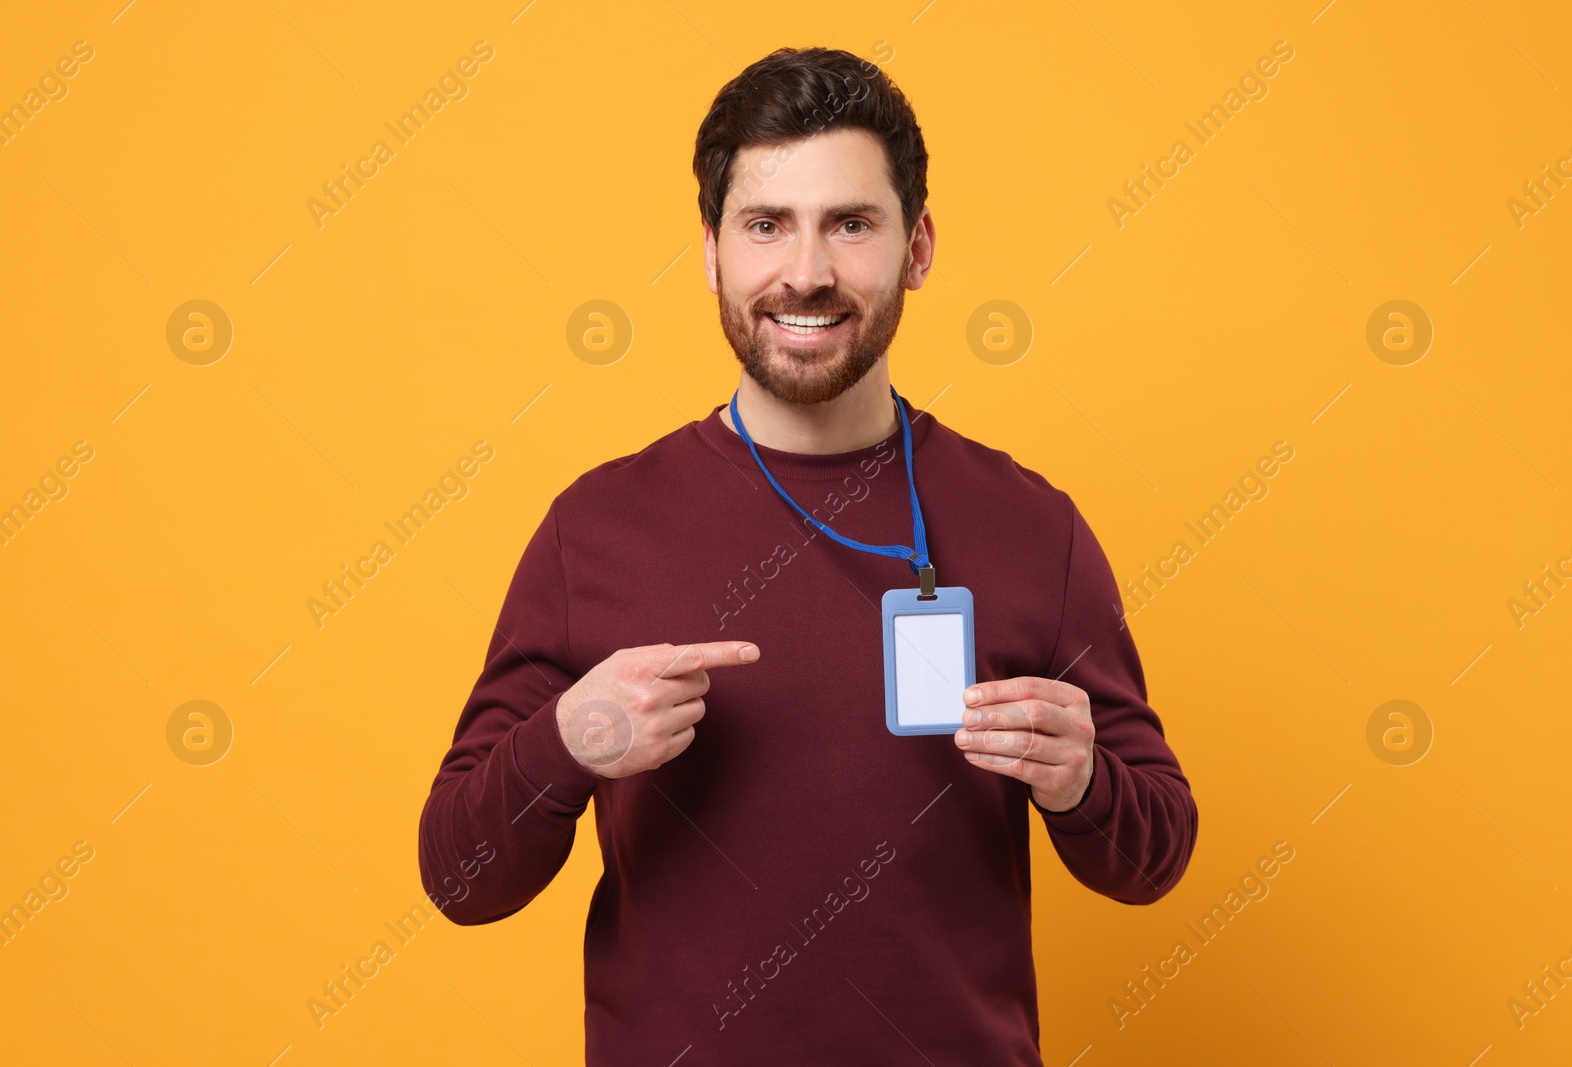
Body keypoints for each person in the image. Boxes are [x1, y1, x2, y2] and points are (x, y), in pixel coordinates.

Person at [418, 45, 1196, 1065]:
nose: (807, 272)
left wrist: (1083, 776)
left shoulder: (1030, 524)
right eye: (766, 225)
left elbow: (1154, 854)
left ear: (917, 247)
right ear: (710, 250)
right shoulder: (594, 528)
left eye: (851, 223)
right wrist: (563, 741)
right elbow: (459, 876)